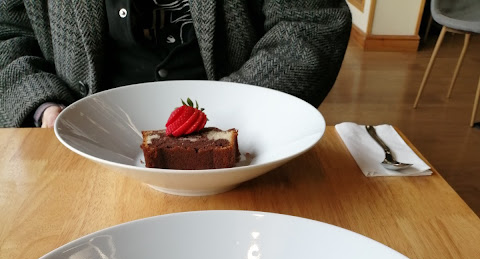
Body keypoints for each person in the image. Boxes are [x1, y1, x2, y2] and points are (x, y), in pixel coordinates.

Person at [0, 1, 352, 128]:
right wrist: (43, 106)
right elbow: (8, 32)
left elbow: (311, 21)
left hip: (245, 147)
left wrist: (237, 106)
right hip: (82, 141)